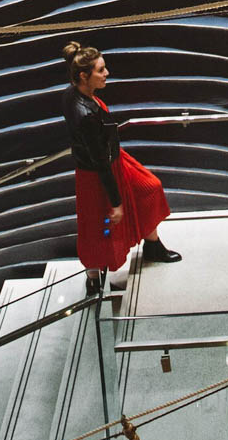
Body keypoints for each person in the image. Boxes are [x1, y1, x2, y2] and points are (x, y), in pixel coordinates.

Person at [62, 41, 181, 292]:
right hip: (97, 173)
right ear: (84, 76)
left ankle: (152, 245)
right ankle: (93, 277)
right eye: (101, 70)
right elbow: (99, 163)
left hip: (112, 160)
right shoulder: (85, 116)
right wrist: (116, 203)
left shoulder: (77, 91)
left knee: (150, 188)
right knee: (96, 227)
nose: (107, 74)